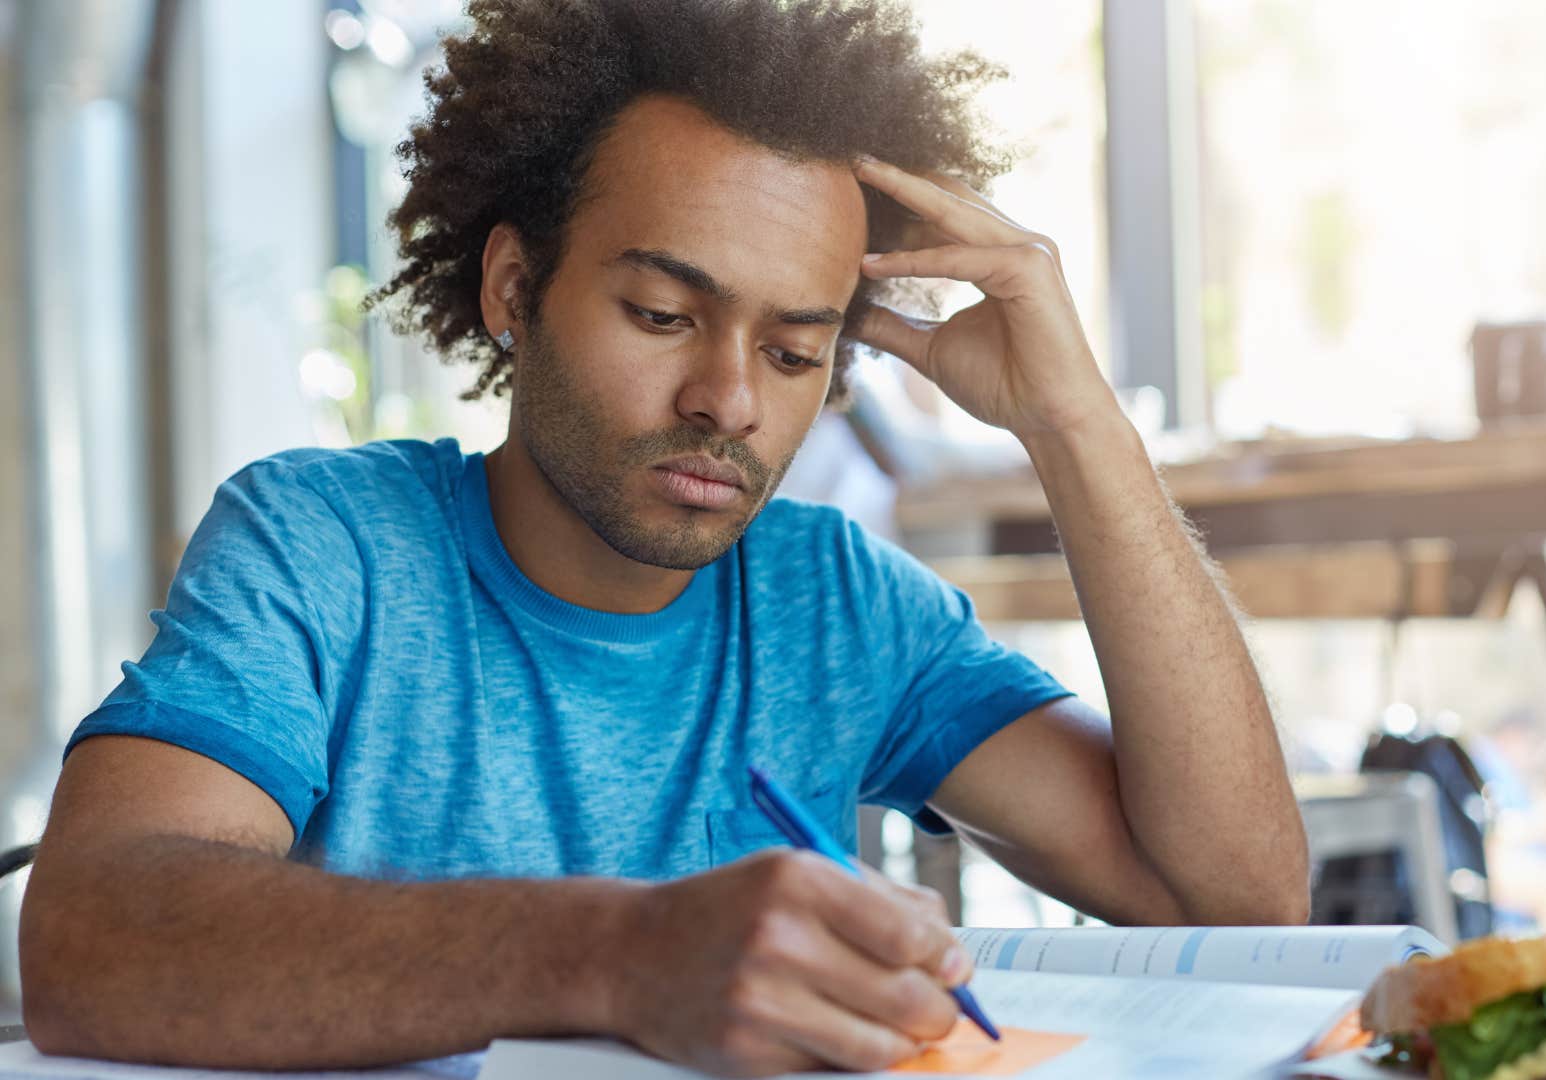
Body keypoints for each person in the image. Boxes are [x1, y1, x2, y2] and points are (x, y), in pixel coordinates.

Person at [20, 1, 1309, 1074]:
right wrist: (617, 956)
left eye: (795, 350)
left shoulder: (838, 608)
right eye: (661, 315)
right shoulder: (327, 546)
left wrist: (1076, 428)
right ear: (514, 289)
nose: (730, 400)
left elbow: (1237, 902)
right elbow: (89, 941)